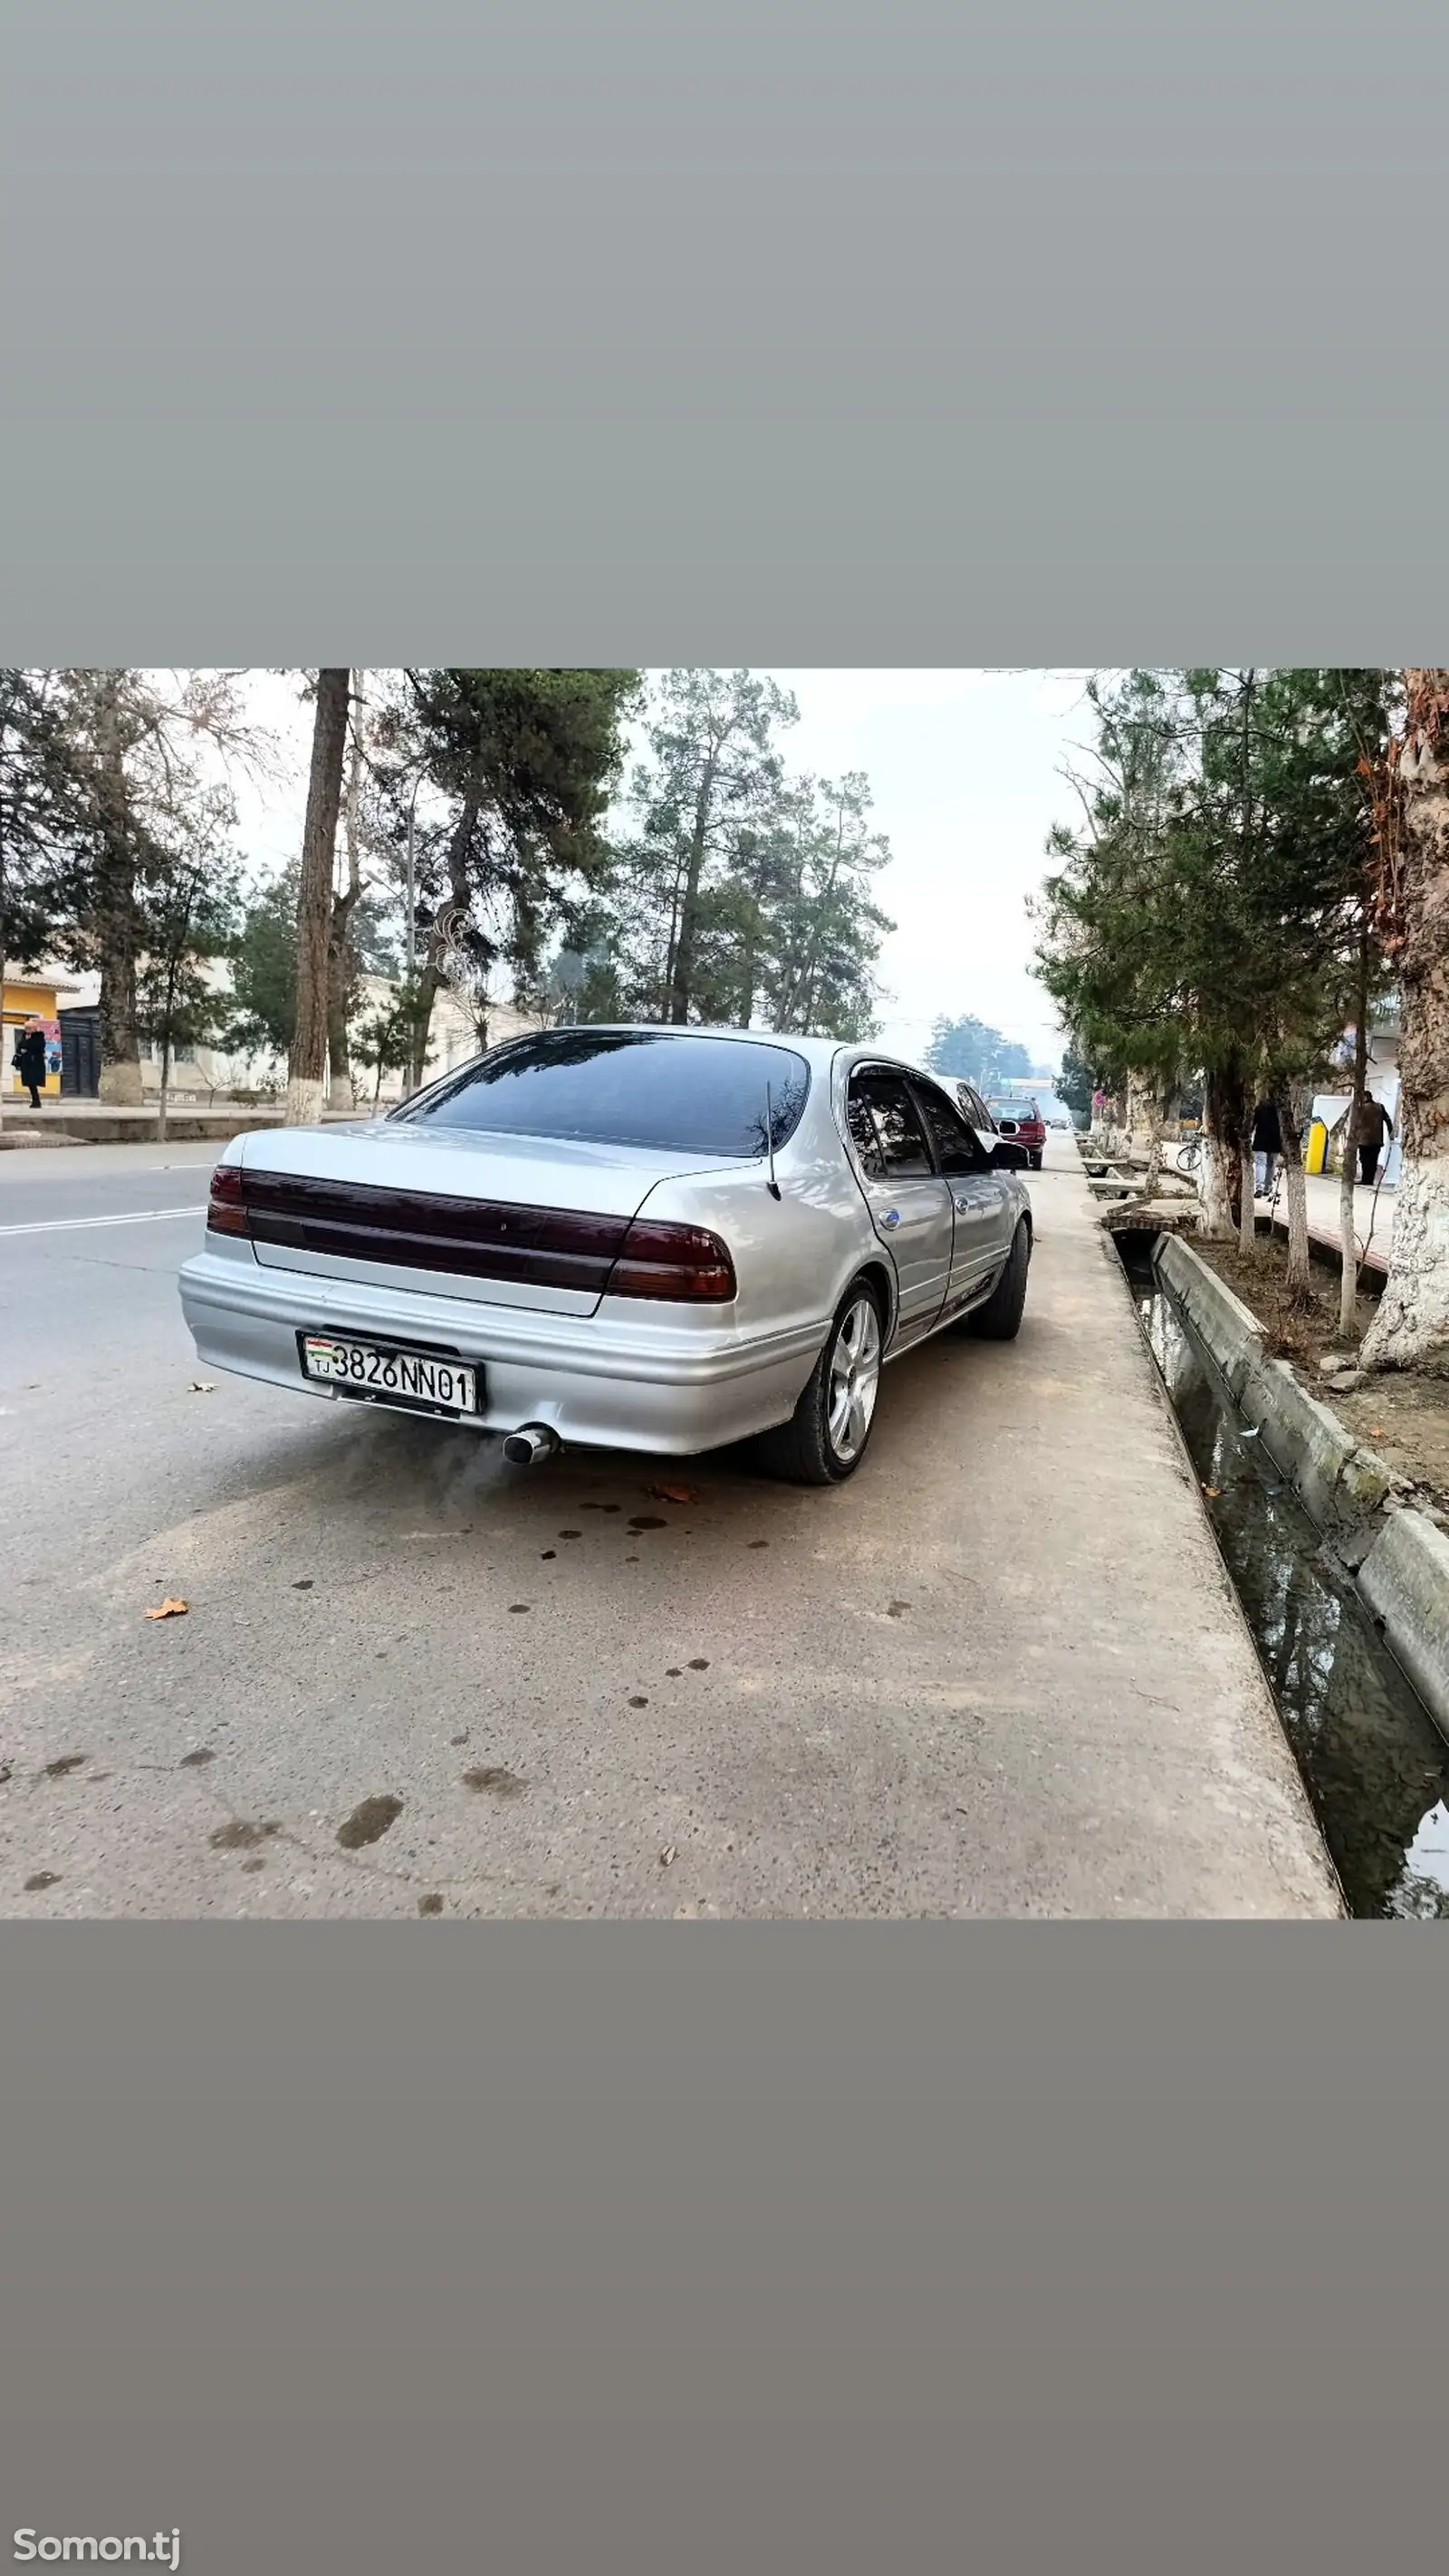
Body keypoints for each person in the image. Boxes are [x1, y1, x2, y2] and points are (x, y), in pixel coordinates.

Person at [1352, 1092, 1394, 1188]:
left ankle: (1365, 1179)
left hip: (1364, 1139)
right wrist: (1391, 1133)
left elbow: (1355, 1124)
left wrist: (1354, 1136)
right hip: (1377, 1140)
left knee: (1365, 1160)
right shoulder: (1380, 1107)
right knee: (1373, 1160)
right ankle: (1370, 1180)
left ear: (1365, 1097)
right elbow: (1388, 1120)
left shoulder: (1361, 1108)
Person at [12, 1014, 48, 1110]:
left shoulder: (39, 1037)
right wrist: (21, 1051)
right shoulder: (24, 1037)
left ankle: (36, 1101)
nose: (27, 1030)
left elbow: (39, 1047)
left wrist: (27, 1049)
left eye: (29, 1028)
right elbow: (20, 1046)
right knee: (29, 1083)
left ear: (34, 1029)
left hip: (34, 1063)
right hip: (26, 1063)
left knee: (32, 1082)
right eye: (26, 1028)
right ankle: (35, 1101)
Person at [1251, 1098, 1281, 1198]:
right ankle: (1267, 1188)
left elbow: (1252, 1124)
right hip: (1275, 1140)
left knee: (1261, 1164)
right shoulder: (1280, 1108)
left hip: (1261, 1140)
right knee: (1271, 1165)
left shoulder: (1260, 1108)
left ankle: (1259, 1187)